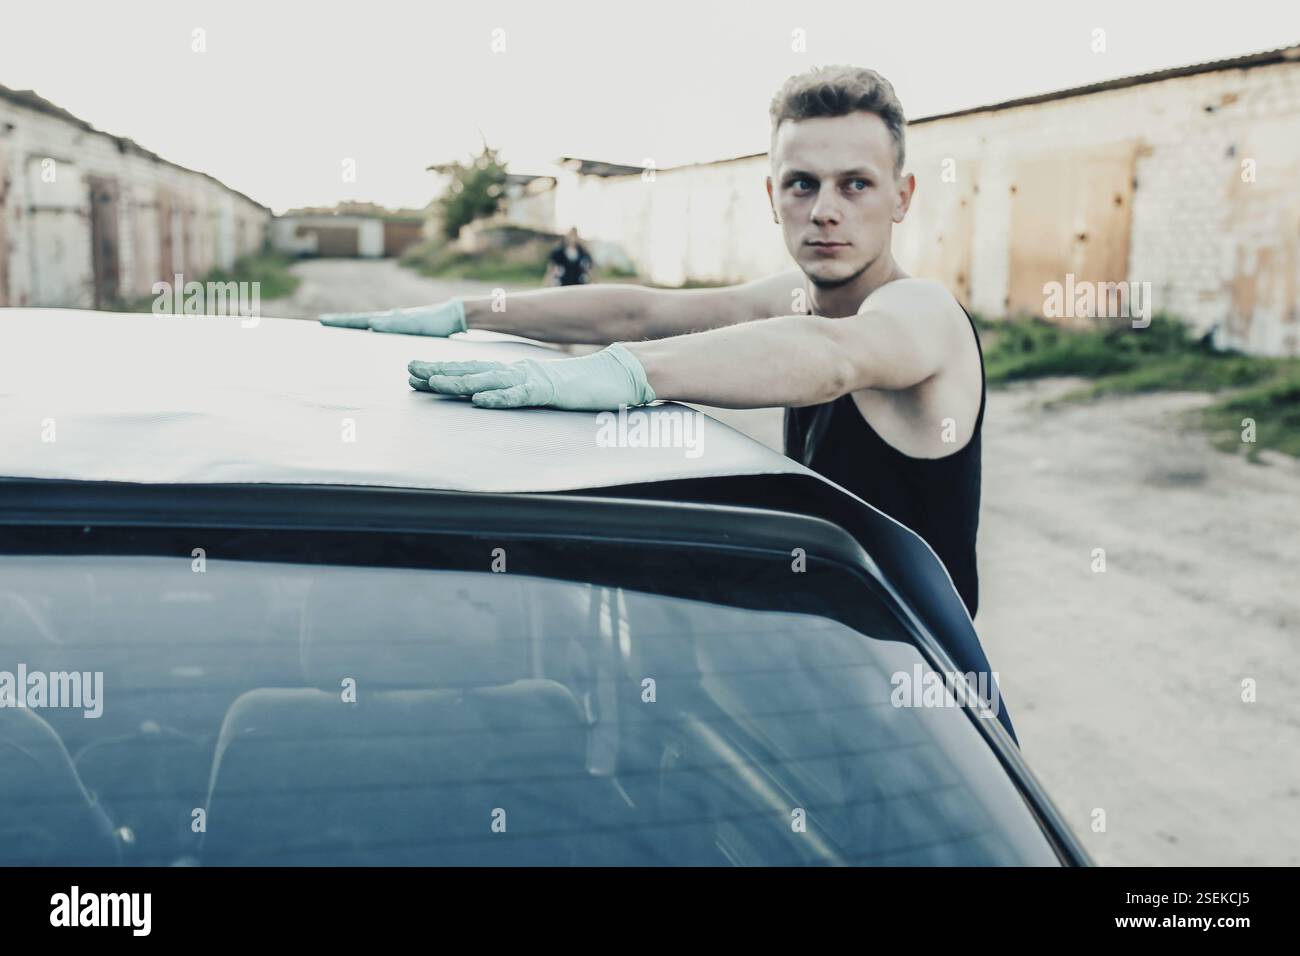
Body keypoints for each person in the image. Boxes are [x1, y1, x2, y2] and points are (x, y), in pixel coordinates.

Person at [320, 65, 987, 622]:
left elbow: (834, 356)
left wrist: (633, 373)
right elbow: (647, 310)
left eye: (857, 184)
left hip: (930, 698)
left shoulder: (921, 311)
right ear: (771, 194)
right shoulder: (796, 293)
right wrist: (466, 311)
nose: (825, 209)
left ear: (902, 197)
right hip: (833, 651)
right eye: (802, 183)